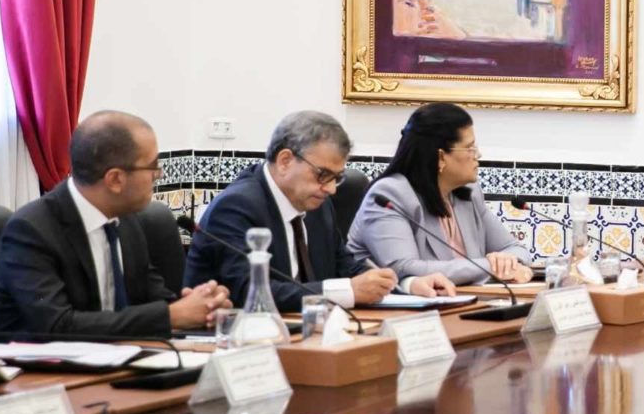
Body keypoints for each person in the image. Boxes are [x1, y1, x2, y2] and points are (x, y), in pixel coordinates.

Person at [0, 112, 229, 337]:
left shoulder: (126, 220)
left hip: (119, 358)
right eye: (152, 168)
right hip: (37, 366)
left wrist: (201, 306)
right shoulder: (32, 230)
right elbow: (57, 325)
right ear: (115, 179)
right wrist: (172, 316)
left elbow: (152, 299)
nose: (159, 175)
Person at [183, 111, 454, 311]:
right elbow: (249, 292)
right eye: (323, 175)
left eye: (337, 177)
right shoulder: (237, 207)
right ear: (285, 160)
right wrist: (347, 291)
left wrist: (408, 284)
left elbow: (347, 267)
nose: (332, 189)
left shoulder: (316, 204)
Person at [347, 103, 533, 286]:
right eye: (469, 148)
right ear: (441, 156)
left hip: (461, 300)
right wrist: (490, 266)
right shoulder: (390, 195)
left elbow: (515, 249)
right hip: (390, 304)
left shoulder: (469, 194)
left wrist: (506, 262)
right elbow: (403, 267)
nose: (478, 154)